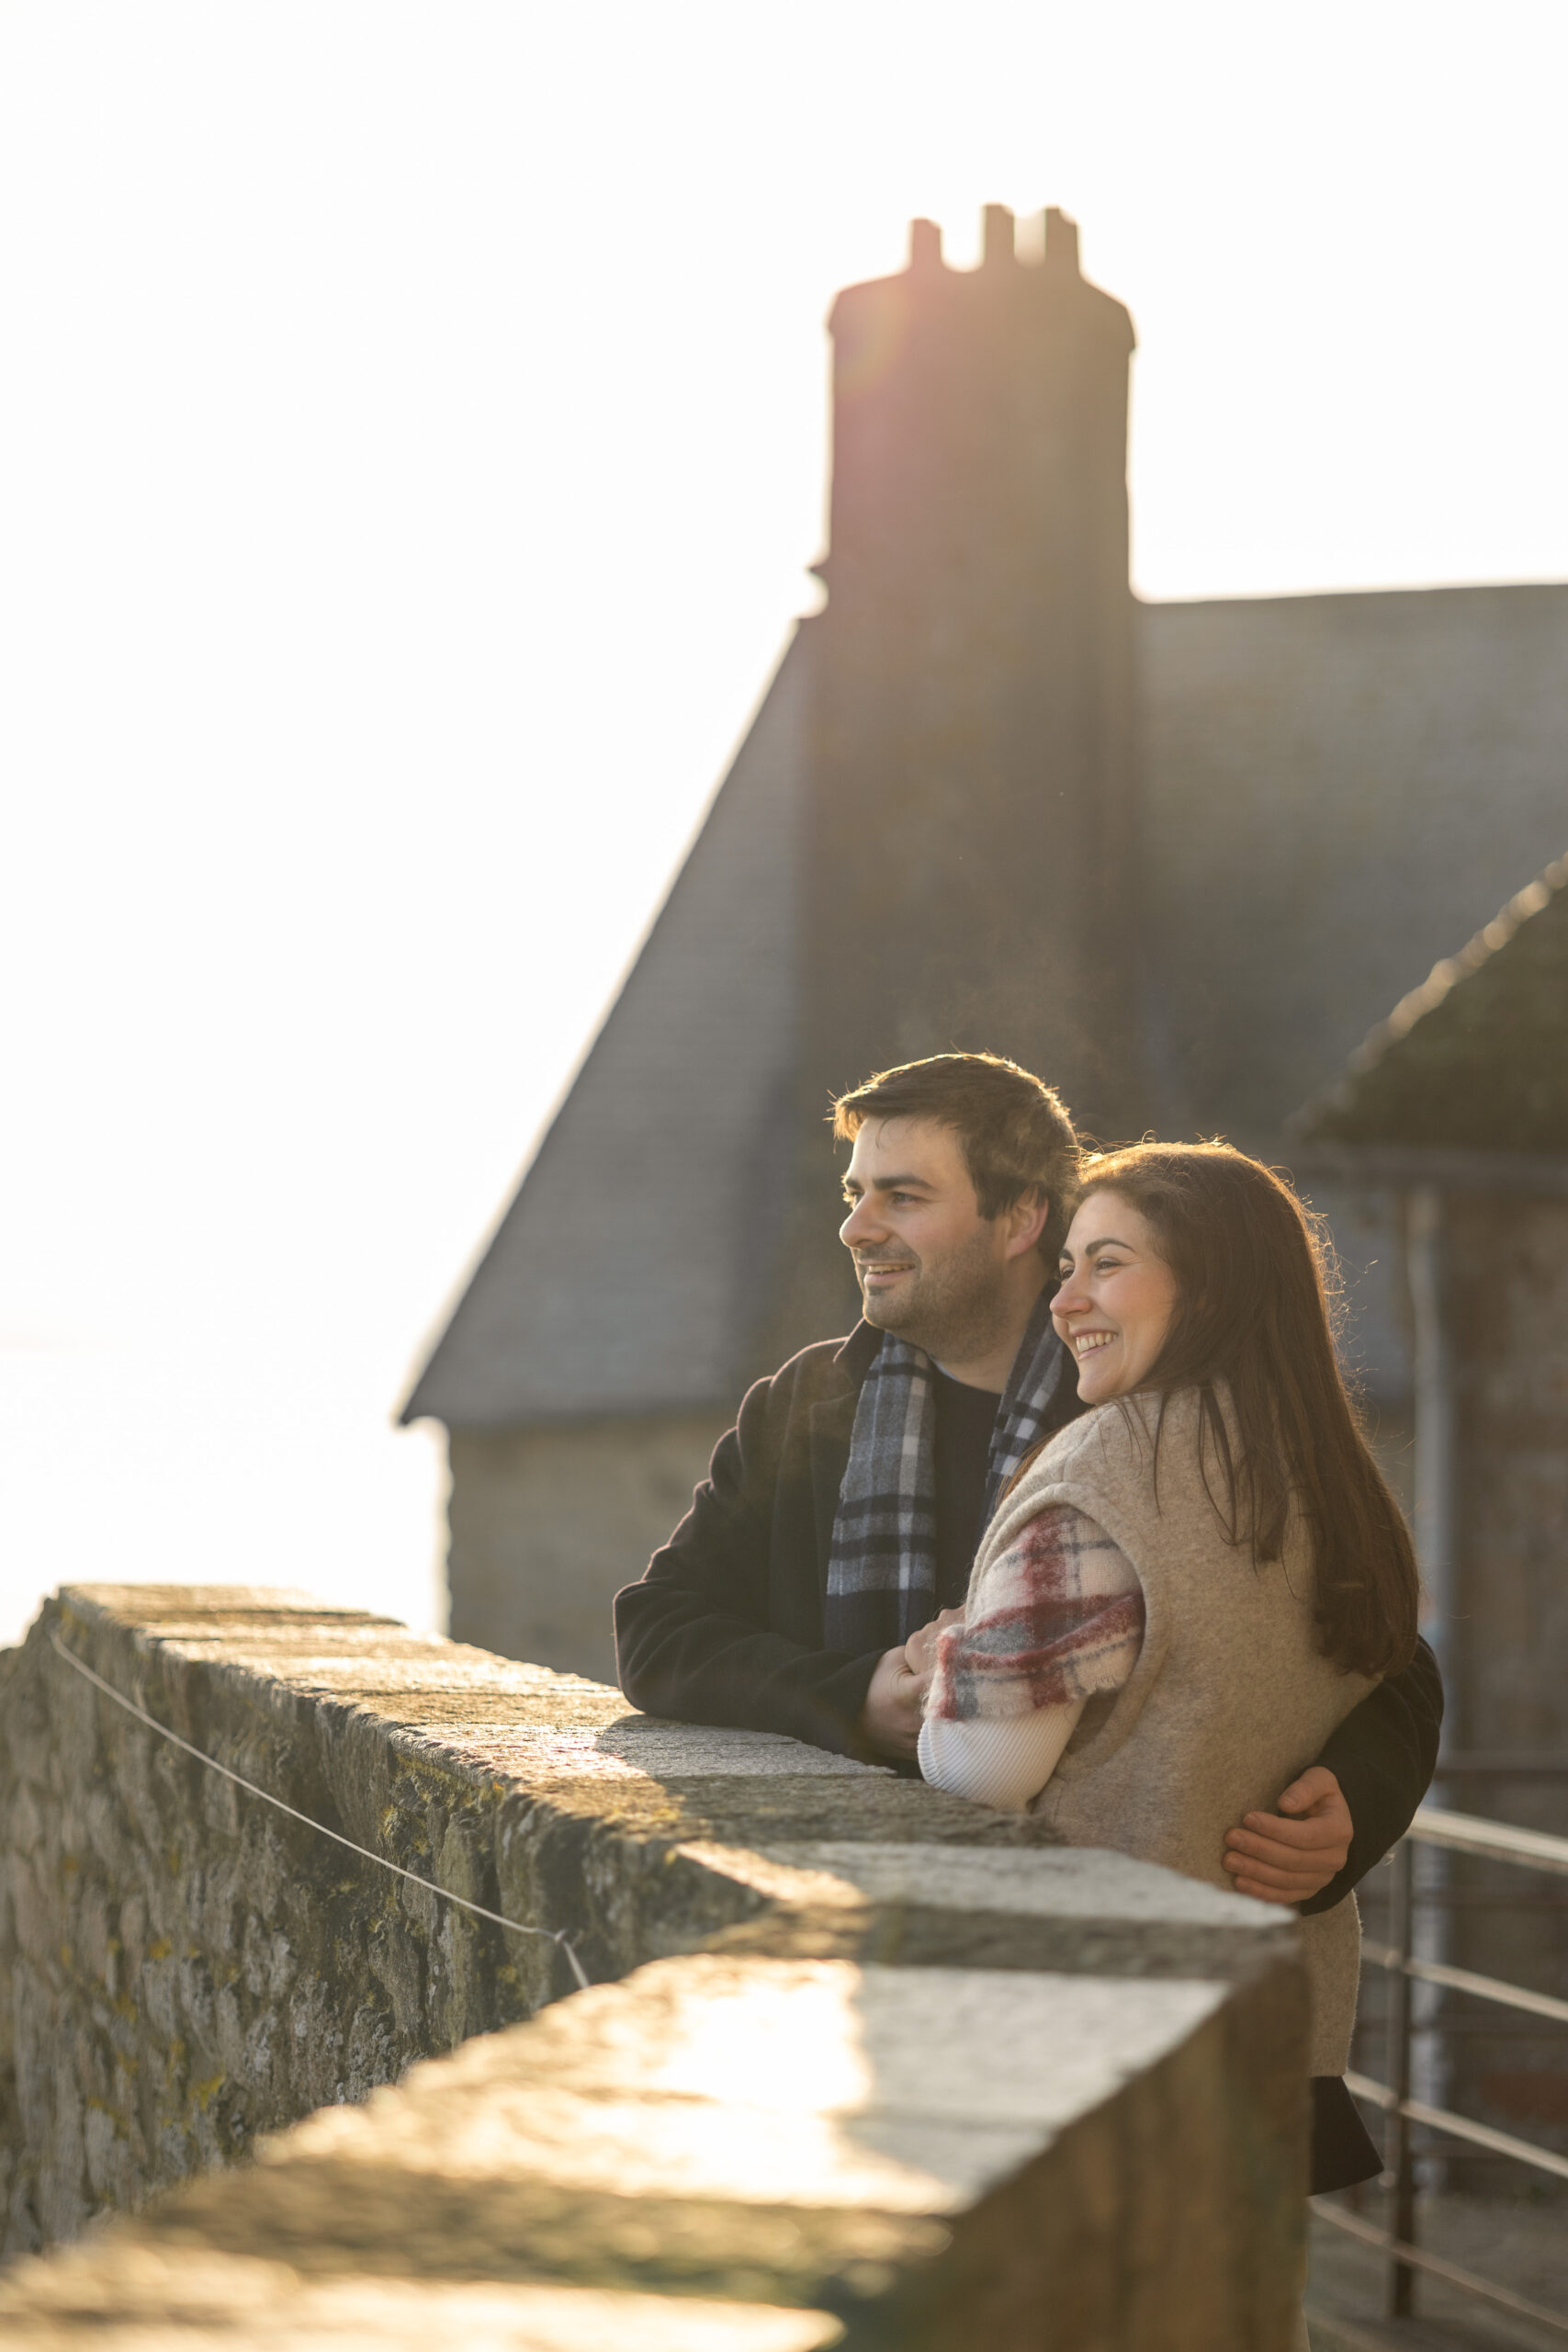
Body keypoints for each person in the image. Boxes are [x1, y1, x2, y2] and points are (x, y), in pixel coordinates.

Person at [615, 1051, 1440, 1923]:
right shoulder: (802, 1405)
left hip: (1097, 1936)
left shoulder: (1145, 1414)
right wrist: (852, 1697)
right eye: (853, 1195)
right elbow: (657, 1630)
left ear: (1019, 1218)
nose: (856, 1228)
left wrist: (1356, 1797)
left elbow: (1379, 1649)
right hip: (841, 1915)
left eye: (902, 1197)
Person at [915, 1137, 1420, 2198]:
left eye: (1108, 1263)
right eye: (1067, 1268)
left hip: (1103, 2032)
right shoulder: (1328, 1479)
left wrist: (946, 1660)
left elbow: (984, 1768)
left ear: (1211, 1288)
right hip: (1279, 2038)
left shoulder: (1107, 1468)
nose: (1066, 1302)